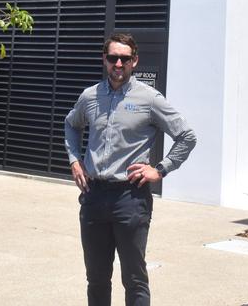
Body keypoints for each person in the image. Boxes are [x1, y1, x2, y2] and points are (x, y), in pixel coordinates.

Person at [64, 31, 196, 306]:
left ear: (135, 61)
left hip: (130, 199)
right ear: (105, 59)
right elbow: (71, 125)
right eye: (113, 58)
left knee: (134, 278)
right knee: (97, 278)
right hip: (94, 196)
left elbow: (186, 136)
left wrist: (160, 169)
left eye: (125, 58)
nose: (118, 64)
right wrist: (75, 160)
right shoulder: (90, 97)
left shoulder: (149, 99)